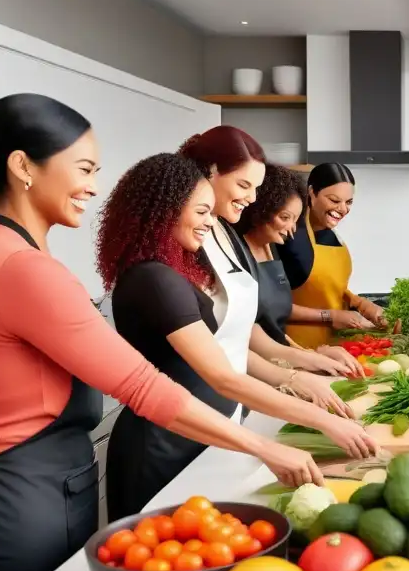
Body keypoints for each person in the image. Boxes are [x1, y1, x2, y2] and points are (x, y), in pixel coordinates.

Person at [0, 94, 321, 571]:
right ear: (23, 166)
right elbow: (141, 384)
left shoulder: (11, 254)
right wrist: (264, 444)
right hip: (24, 486)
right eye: (85, 168)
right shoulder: (20, 267)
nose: (94, 185)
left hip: (43, 476)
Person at [96, 151, 379, 522]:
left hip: (200, 433)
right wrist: (320, 419)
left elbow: (232, 353)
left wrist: (304, 378)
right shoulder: (154, 279)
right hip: (161, 447)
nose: (207, 224)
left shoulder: (172, 270)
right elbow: (224, 375)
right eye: (200, 213)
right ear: (164, 209)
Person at [180, 128, 361, 375]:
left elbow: (248, 331)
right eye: (244, 185)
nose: (252, 198)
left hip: (254, 379)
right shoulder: (194, 251)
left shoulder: (232, 239)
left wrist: (307, 358)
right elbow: (223, 345)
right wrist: (293, 374)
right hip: (235, 384)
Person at [277, 162, 388, 349]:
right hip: (295, 345)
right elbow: (270, 305)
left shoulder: (333, 236)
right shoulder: (289, 236)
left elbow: (330, 288)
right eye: (335, 201)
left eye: (349, 202)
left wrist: (360, 304)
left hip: (332, 346)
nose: (343, 209)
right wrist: (330, 316)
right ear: (312, 193)